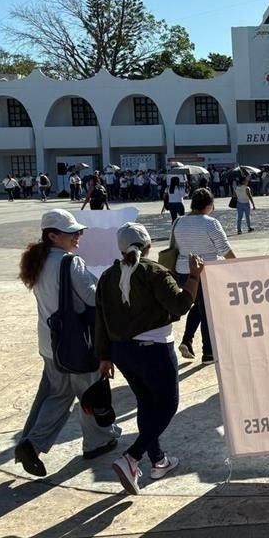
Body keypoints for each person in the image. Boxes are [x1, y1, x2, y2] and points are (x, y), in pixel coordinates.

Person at [96, 223, 203, 494]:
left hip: (122, 352)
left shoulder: (109, 276)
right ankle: (132, 457)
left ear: (120, 248)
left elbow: (100, 318)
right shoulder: (153, 271)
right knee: (167, 405)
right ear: (148, 246)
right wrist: (194, 277)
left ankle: (158, 460)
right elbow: (180, 305)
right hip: (154, 348)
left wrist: (104, 356)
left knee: (146, 403)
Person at [14, 209, 121, 477]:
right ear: (53, 235)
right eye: (72, 232)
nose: (78, 236)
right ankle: (98, 441)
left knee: (58, 394)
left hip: (50, 343)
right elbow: (91, 298)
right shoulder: (70, 263)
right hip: (77, 344)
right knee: (89, 391)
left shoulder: (36, 262)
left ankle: (31, 443)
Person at [173, 189, 236, 364]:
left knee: (200, 305)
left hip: (183, 271)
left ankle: (187, 340)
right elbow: (224, 249)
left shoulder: (179, 222)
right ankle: (208, 352)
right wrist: (237, 266)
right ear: (209, 205)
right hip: (205, 271)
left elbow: (177, 247)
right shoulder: (211, 223)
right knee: (207, 310)